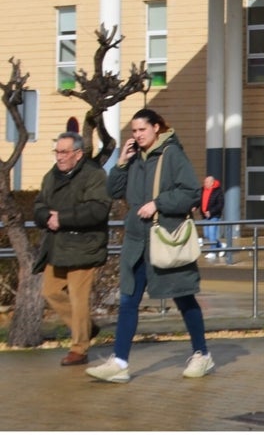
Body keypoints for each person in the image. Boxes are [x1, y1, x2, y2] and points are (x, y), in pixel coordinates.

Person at [86, 108, 214, 383]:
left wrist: (158, 203)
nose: (137, 135)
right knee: (128, 300)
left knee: (183, 296)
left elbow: (191, 192)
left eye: (142, 129)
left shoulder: (172, 155)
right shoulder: (134, 158)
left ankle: (202, 354)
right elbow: (113, 192)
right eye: (133, 131)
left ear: (157, 128)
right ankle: (120, 362)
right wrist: (121, 162)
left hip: (166, 239)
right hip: (136, 242)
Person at [33, 131, 111, 366]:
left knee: (78, 298)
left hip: (84, 246)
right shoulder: (51, 176)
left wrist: (62, 218)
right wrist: (46, 216)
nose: (59, 157)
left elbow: (98, 210)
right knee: (49, 291)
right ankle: (86, 327)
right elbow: (39, 204)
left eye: (64, 152)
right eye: (57, 151)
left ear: (78, 154)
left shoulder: (94, 175)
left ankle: (79, 348)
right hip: (57, 246)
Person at [198, 175, 225, 259]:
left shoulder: (218, 191)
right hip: (205, 216)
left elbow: (220, 204)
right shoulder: (202, 189)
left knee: (212, 233)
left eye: (207, 182)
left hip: (214, 216)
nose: (205, 183)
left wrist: (211, 212)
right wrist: (194, 206)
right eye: (204, 182)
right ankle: (220, 245)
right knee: (207, 235)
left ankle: (212, 252)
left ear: (212, 182)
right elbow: (199, 200)